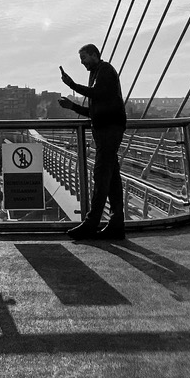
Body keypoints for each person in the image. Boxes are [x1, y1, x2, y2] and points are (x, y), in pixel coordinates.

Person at [58, 43, 127, 240]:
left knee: (101, 176)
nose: (82, 63)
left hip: (109, 130)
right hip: (106, 129)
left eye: (84, 58)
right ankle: (116, 224)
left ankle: (91, 223)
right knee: (112, 179)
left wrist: (71, 85)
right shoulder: (97, 73)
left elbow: (95, 94)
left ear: (95, 55)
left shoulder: (105, 70)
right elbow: (95, 110)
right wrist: (72, 106)